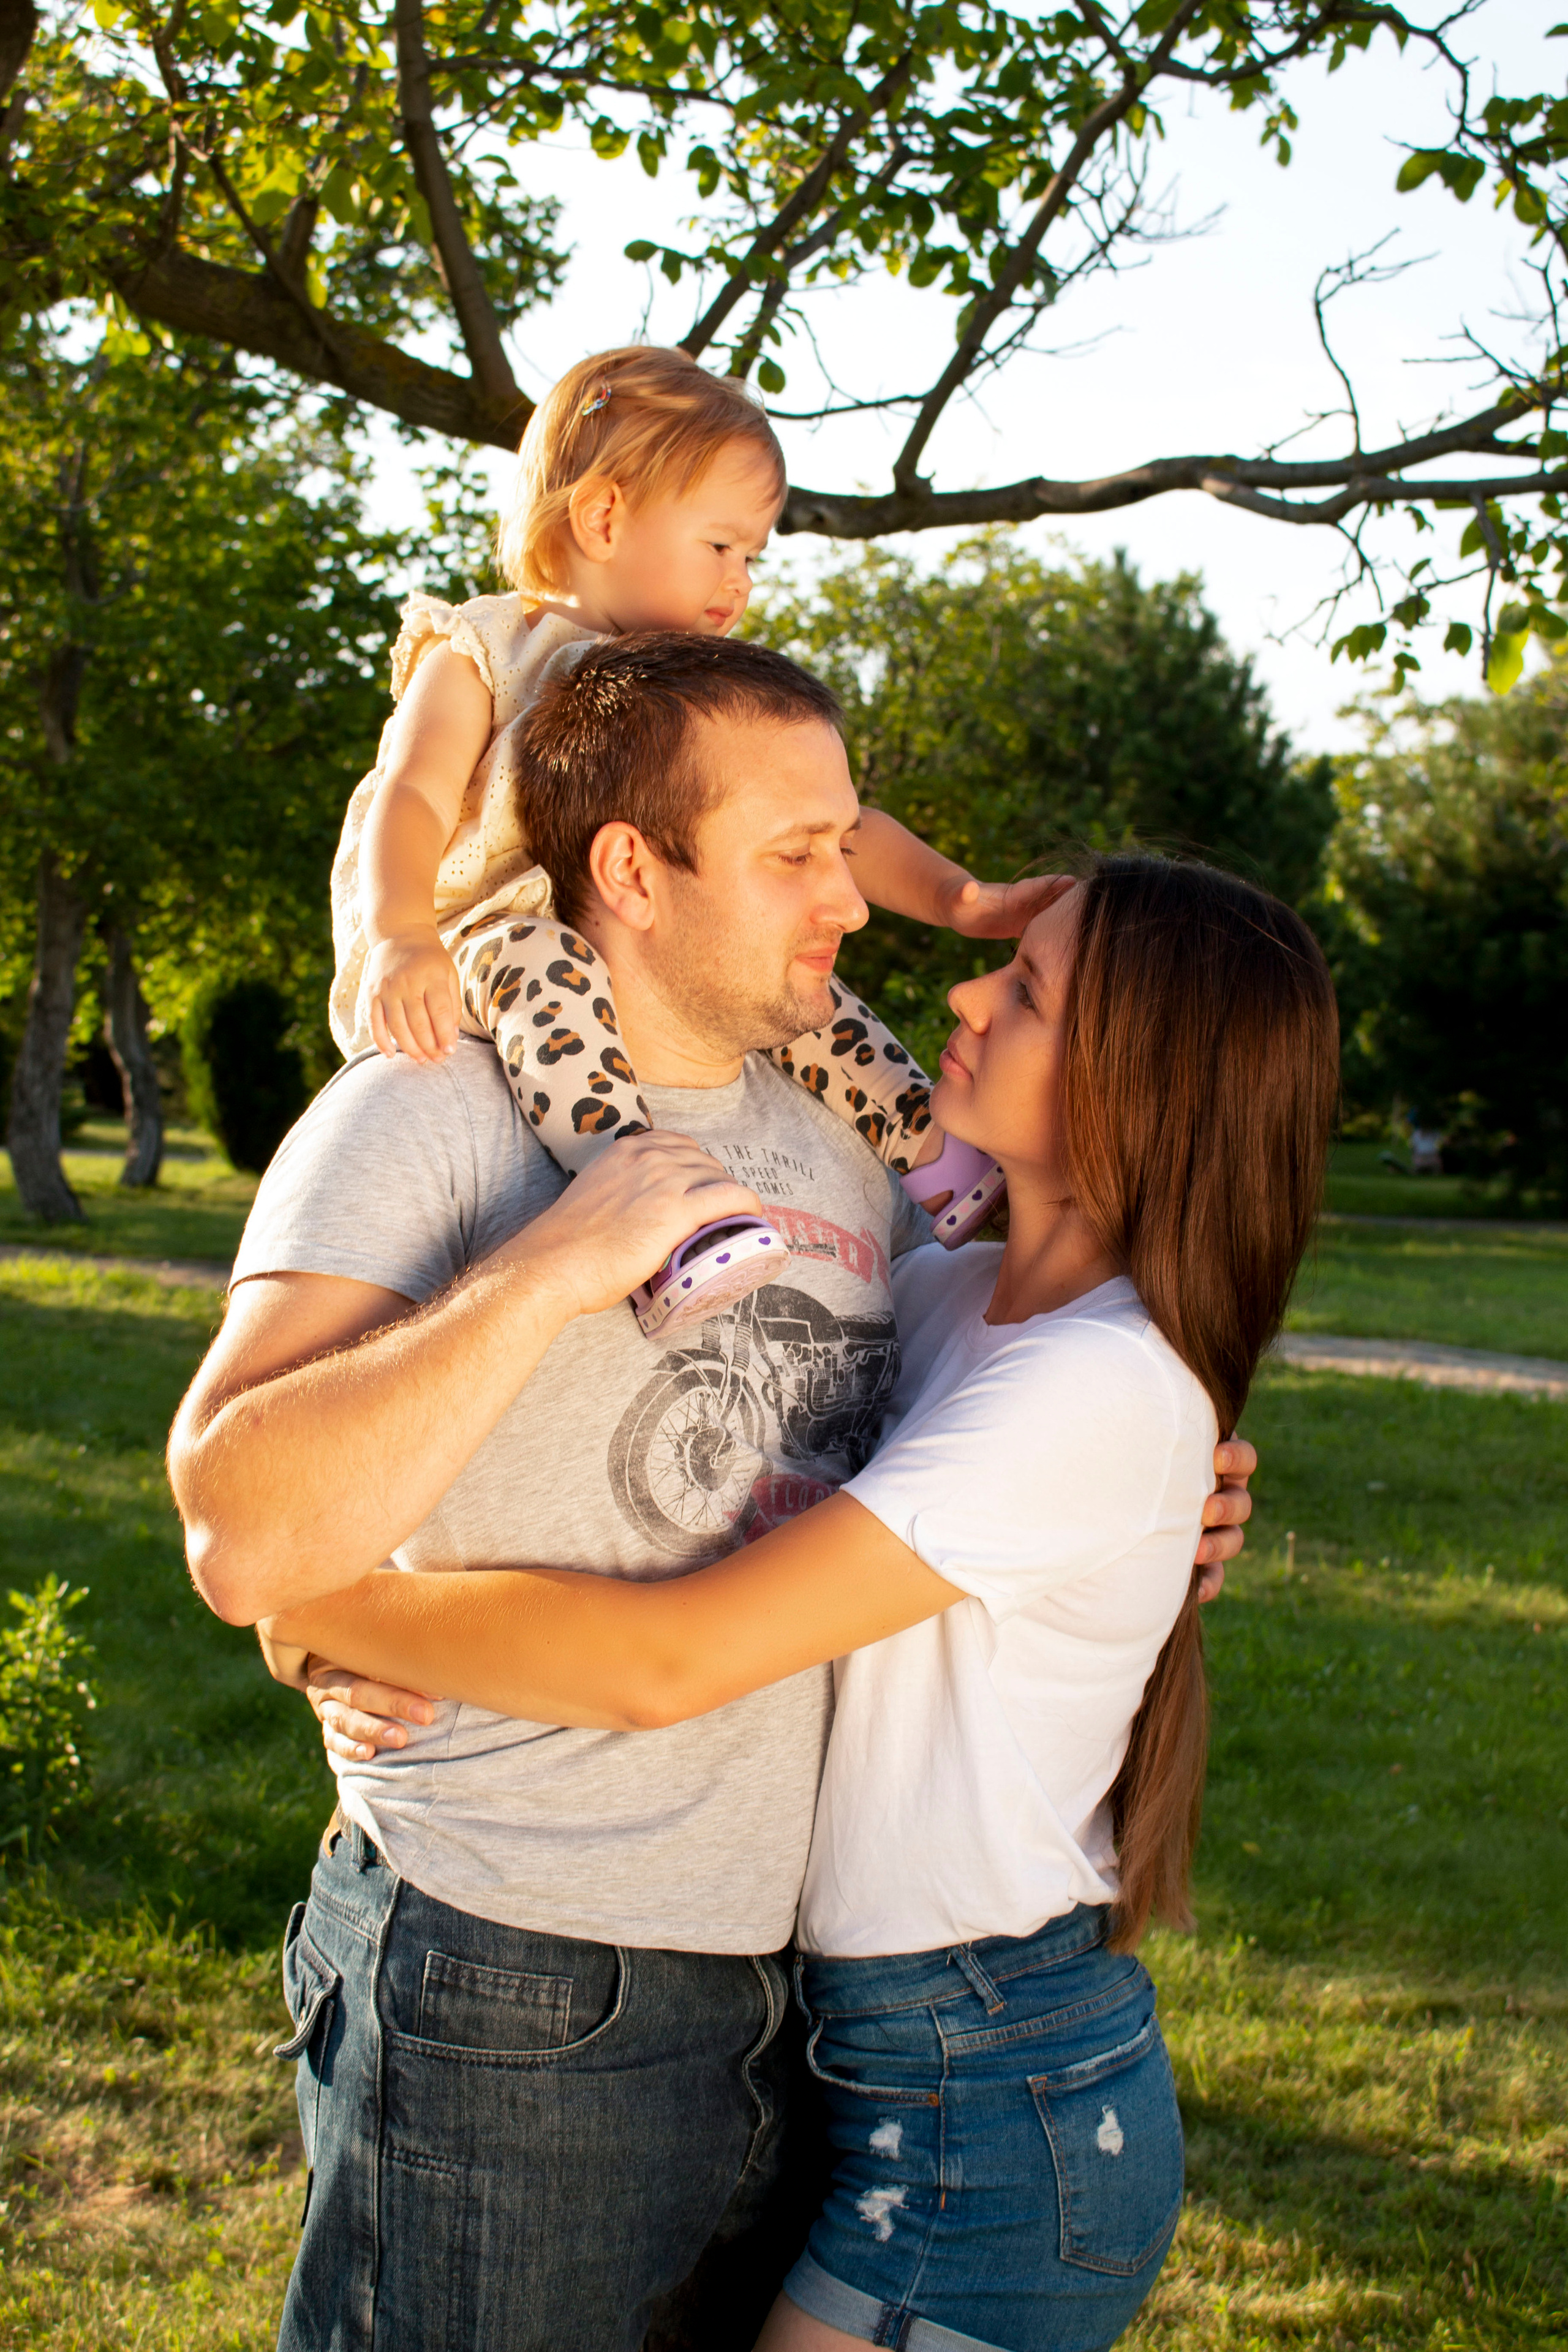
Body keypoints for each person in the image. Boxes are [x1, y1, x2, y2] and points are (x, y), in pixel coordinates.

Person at [169, 635, 1254, 2352]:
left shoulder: (851, 1152)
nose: (856, 899)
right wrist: (541, 1276)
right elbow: (239, 1523)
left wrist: (1177, 1492)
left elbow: (1020, 1412)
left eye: (846, 841)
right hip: (514, 1975)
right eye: (797, 853)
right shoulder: (428, 1112)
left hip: (801, 2019)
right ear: (631, 868)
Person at [331, 344, 1030, 1328]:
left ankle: (939, 1158)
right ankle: (651, 1215)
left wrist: (959, 899)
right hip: (482, 935)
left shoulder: (691, 692)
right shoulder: (486, 647)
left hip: (632, 942)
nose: (740, 582)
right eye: (721, 547)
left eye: (753, 557)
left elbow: (830, 829)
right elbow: (409, 796)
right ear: (603, 518)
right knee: (548, 971)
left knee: (796, 985)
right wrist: (402, 931)